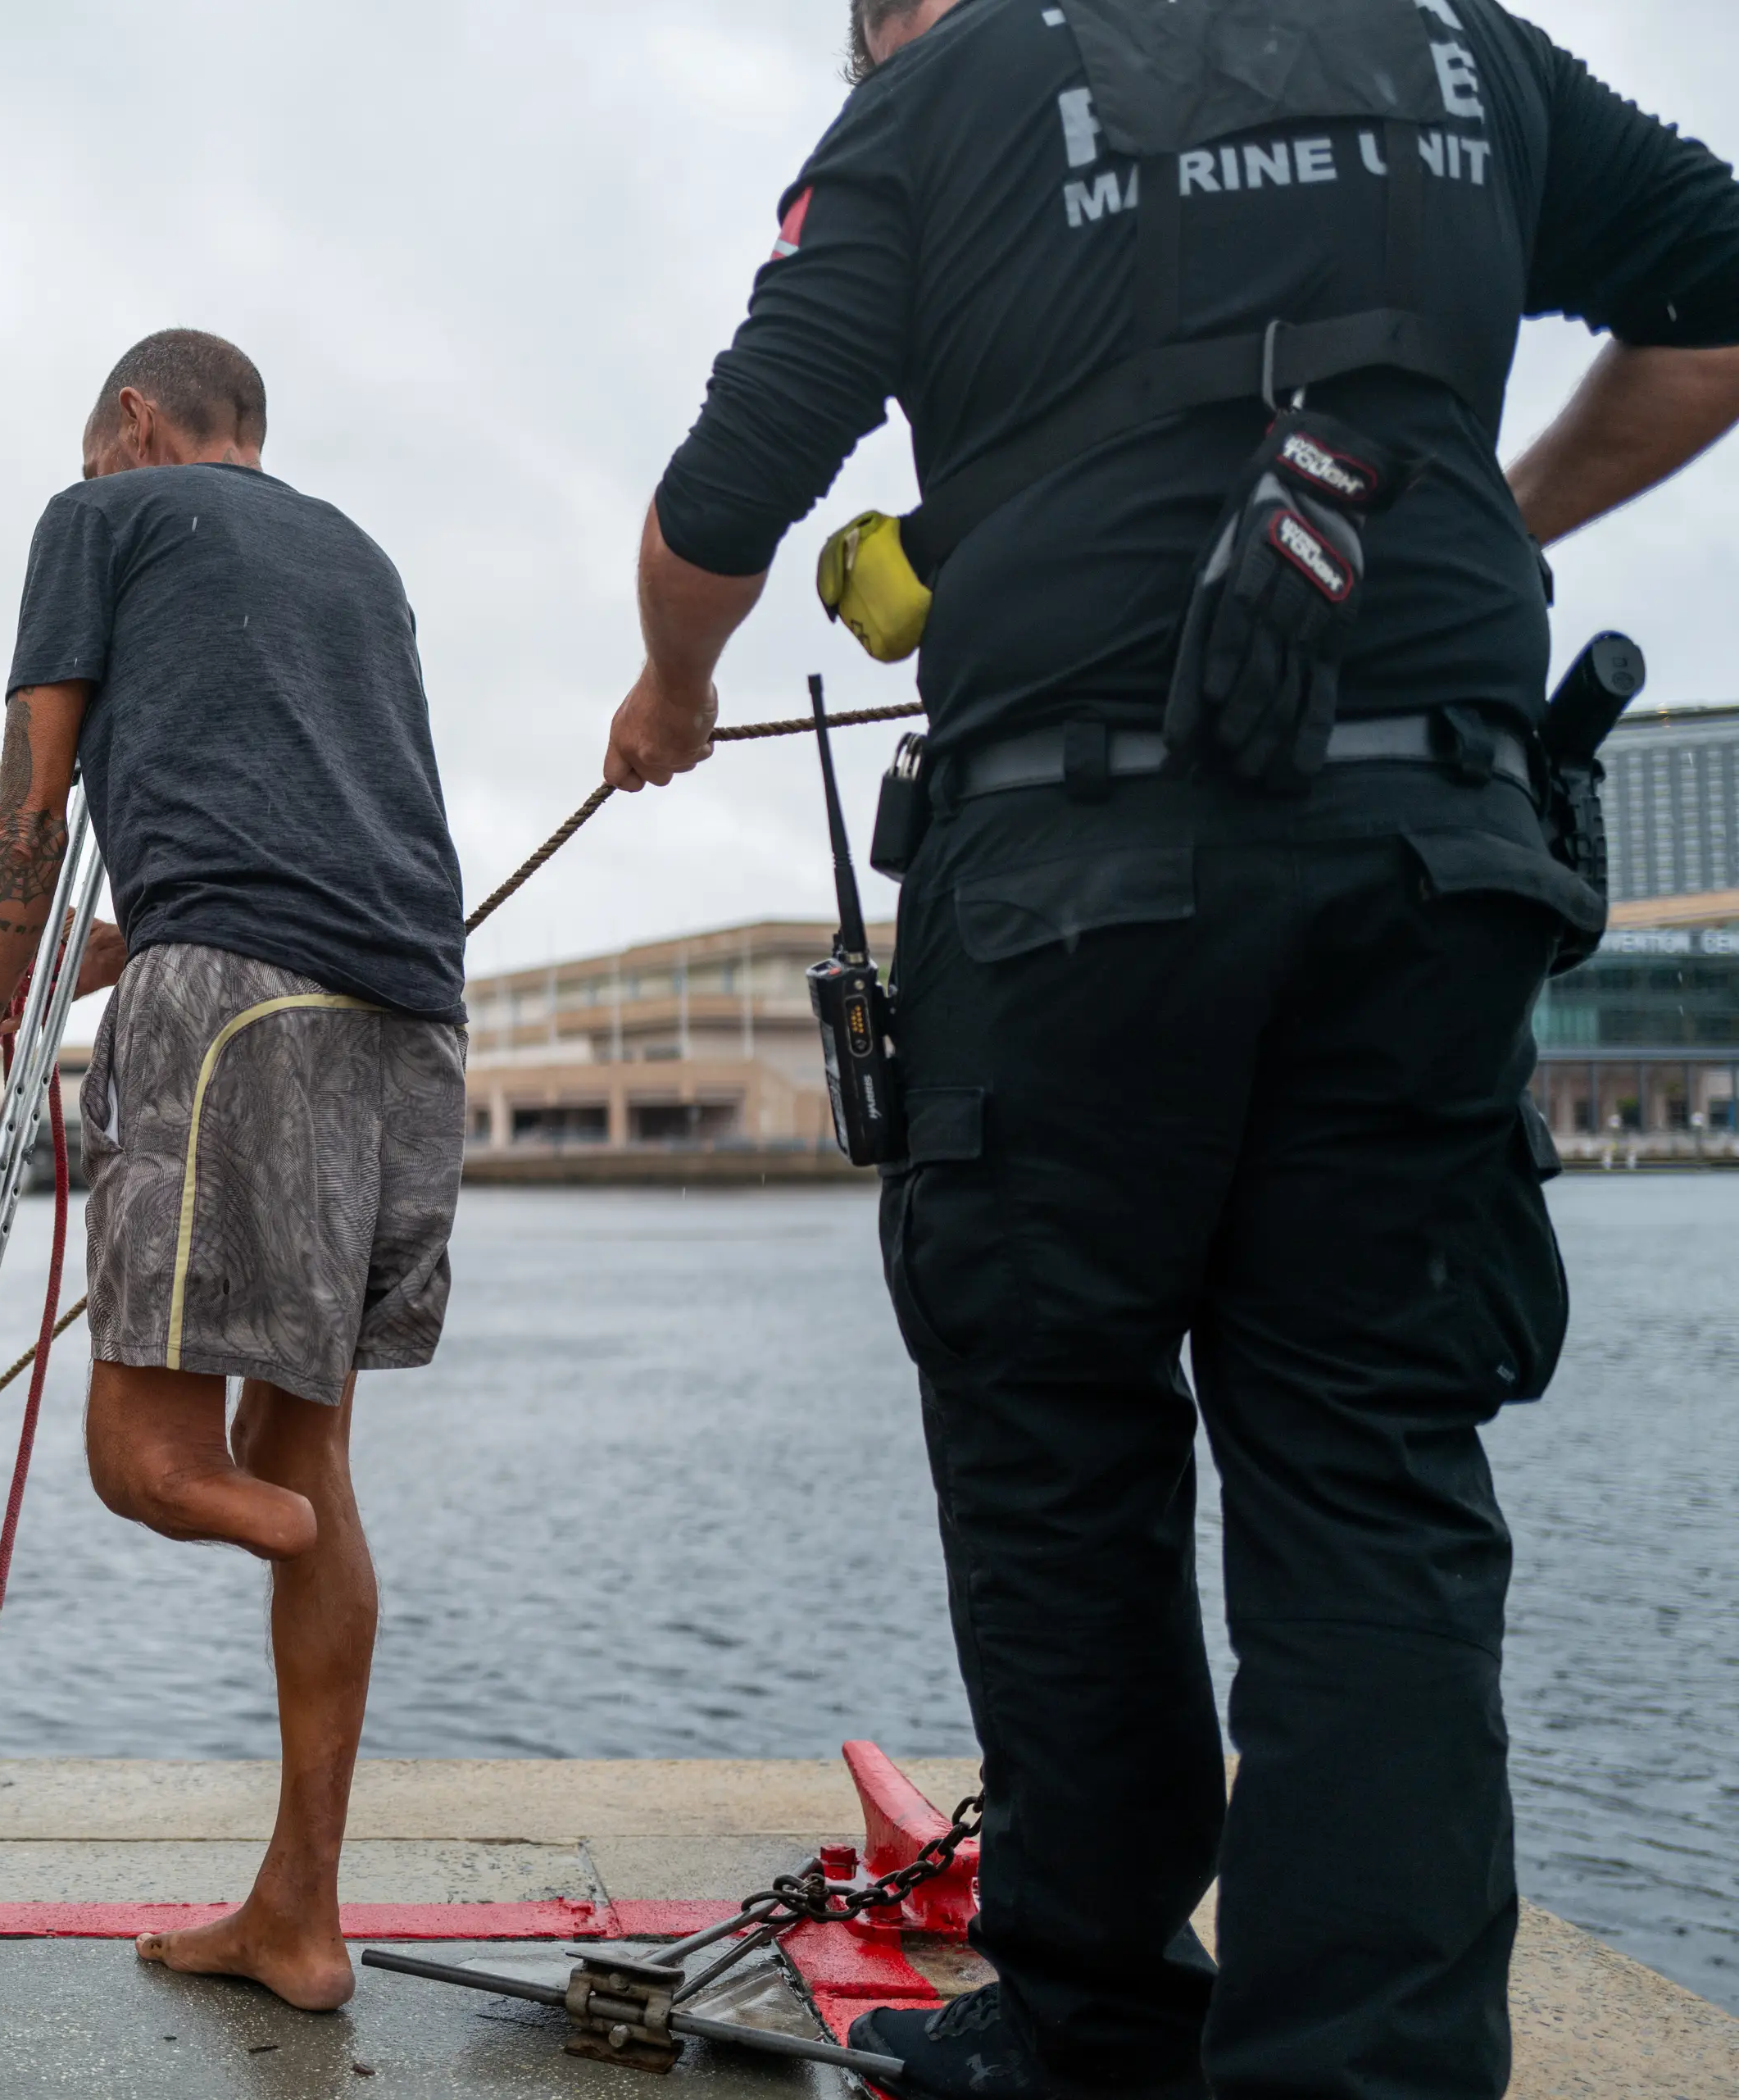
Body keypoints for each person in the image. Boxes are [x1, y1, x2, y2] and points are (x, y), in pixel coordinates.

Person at [605, 2, 1739, 2093]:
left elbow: (728, 487)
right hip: (1431, 861)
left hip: (1069, 875)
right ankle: (1366, 2069)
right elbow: (1720, 292)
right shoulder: (1459, 46)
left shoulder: (939, 94)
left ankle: (1094, 2032)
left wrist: (674, 684)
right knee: (1376, 1478)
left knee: (1061, 1454)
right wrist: (1498, 502)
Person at [0, 330, 468, 2011]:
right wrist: (134, 937)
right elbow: (319, 800)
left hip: (232, 1014)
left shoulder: (101, 519)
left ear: (133, 421)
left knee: (151, 1461)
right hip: (412, 1018)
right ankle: (299, 1915)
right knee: (311, 1455)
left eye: (97, 449)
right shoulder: (355, 555)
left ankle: (301, 1538)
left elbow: (28, 811)